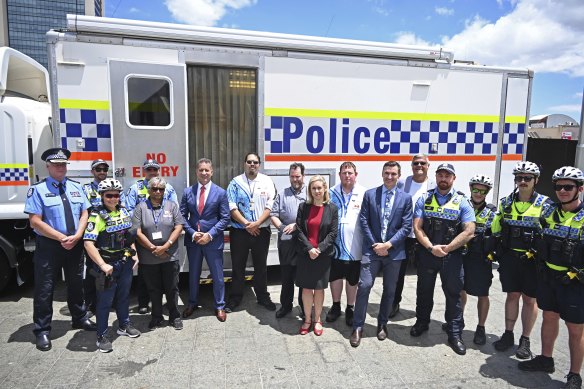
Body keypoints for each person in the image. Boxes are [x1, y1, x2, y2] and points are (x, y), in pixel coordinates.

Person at [518, 166, 584, 389]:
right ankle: (546, 360)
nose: (563, 190)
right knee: (549, 317)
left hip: (575, 282)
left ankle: (575, 375)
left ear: (580, 189)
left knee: (575, 329)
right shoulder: (548, 213)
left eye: (568, 186)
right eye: (559, 186)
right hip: (549, 278)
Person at [24, 148, 96, 352]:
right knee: (45, 288)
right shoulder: (37, 190)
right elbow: (35, 221)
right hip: (49, 246)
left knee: (76, 284)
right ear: (47, 166)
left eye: (63, 164)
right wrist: (61, 237)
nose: (60, 168)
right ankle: (42, 330)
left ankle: (79, 318)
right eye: (56, 164)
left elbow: (85, 212)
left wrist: (78, 235)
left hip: (74, 243)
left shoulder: (75, 187)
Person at [410, 163, 475, 356]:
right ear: (435, 177)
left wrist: (447, 248)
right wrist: (431, 247)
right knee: (423, 291)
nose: (443, 179)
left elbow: (469, 230)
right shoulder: (425, 198)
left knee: (454, 295)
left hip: (452, 256)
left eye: (448, 175)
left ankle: (455, 333)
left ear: (453, 178)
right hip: (428, 254)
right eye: (440, 175)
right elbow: (417, 227)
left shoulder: (462, 201)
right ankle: (422, 322)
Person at [491, 161, 552, 359]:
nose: (523, 181)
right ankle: (508, 334)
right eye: (519, 177)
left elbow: (551, 233)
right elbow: (496, 228)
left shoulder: (546, 204)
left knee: (529, 299)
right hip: (509, 257)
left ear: (536, 180)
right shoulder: (506, 202)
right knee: (512, 296)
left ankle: (525, 340)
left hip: (532, 260)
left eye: (527, 178)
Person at [350, 161, 412, 347]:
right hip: (372, 249)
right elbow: (364, 220)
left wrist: (389, 244)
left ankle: (383, 323)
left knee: (390, 290)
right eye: (387, 173)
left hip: (394, 253)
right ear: (382, 174)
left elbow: (406, 226)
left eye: (393, 173)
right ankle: (358, 326)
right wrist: (376, 244)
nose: (390, 176)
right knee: (365, 285)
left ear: (398, 175)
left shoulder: (406, 198)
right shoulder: (370, 194)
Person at [83, 178, 140, 353]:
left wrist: (134, 252)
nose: (113, 199)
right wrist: (101, 264)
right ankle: (102, 335)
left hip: (124, 262)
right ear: (102, 196)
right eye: (109, 195)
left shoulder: (123, 212)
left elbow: (128, 236)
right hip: (107, 265)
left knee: (124, 296)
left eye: (116, 195)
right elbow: (88, 243)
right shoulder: (96, 216)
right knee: (105, 302)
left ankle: (123, 325)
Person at [125, 159, 178, 314]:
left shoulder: (167, 187)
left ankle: (169, 306)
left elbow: (174, 206)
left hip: (164, 235)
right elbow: (128, 209)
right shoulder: (135, 188)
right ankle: (143, 302)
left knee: (168, 275)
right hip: (143, 234)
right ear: (144, 171)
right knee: (144, 272)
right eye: (149, 170)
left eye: (155, 169)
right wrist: (139, 224)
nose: (152, 172)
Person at [225, 153, 277, 312]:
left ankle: (262, 297)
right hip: (239, 232)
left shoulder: (267, 181)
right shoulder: (235, 182)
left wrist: (257, 224)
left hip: (261, 231)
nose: (252, 164)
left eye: (255, 162)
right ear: (244, 164)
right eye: (249, 162)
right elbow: (231, 207)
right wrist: (248, 224)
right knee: (238, 266)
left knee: (261, 266)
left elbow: (270, 205)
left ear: (259, 165)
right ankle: (235, 297)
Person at [181, 158, 230, 322]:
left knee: (217, 276)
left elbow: (225, 218)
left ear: (212, 172)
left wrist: (210, 234)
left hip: (213, 240)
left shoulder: (221, 193)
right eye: (201, 170)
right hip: (194, 240)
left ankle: (220, 306)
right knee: (193, 274)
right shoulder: (188, 192)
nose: (204, 173)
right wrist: (193, 233)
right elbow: (181, 216)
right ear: (196, 171)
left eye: (206, 170)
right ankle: (192, 302)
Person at [133, 177, 184, 330]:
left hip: (169, 255)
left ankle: (174, 316)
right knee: (153, 289)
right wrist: (152, 248)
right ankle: (156, 317)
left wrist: (166, 246)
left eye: (161, 189)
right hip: (149, 257)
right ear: (149, 190)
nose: (157, 191)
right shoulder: (140, 208)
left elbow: (179, 226)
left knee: (172, 287)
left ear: (164, 190)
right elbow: (137, 231)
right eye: (154, 188)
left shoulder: (172, 206)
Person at [391, 154, 435, 318]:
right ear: (412, 166)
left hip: (423, 237)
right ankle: (394, 303)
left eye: (422, 163)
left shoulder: (433, 185)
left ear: (428, 166)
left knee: (424, 276)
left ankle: (422, 311)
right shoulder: (404, 183)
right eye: (416, 163)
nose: (419, 166)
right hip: (404, 236)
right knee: (398, 273)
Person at [296, 175, 338, 336]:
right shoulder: (303, 207)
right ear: (310, 190)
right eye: (313, 188)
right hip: (306, 255)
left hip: (323, 255)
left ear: (325, 189)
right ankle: (307, 319)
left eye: (319, 188)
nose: (317, 191)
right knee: (306, 288)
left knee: (319, 289)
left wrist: (318, 249)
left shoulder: (332, 208)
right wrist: (309, 249)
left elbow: (333, 234)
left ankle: (317, 319)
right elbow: (299, 230)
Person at [327, 161, 366, 326]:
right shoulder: (331, 193)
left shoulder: (364, 193)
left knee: (352, 279)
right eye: (344, 172)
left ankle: (350, 308)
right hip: (335, 246)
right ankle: (336, 306)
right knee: (335, 277)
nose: (347, 175)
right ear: (340, 175)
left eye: (350, 172)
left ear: (355, 175)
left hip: (355, 246)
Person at [460, 175, 497, 346]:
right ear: (471, 189)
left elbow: (497, 235)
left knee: (483, 294)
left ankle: (481, 327)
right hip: (462, 256)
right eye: (475, 189)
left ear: (487, 192)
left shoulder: (492, 212)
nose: (478, 193)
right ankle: (458, 320)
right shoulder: (463, 206)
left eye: (483, 191)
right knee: (460, 290)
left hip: (481, 258)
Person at [270, 163, 307, 318]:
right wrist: (282, 228)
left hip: (304, 241)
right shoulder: (282, 194)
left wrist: (296, 226)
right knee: (286, 276)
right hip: (286, 241)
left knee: (303, 277)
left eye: (297, 176)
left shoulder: (310, 193)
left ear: (303, 176)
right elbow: (273, 214)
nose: (295, 179)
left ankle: (305, 308)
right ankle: (286, 306)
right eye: (292, 176)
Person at [81, 159, 110, 315]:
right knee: (92, 270)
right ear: (92, 171)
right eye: (98, 169)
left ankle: (106, 301)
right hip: (93, 234)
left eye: (104, 169)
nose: (102, 172)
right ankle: (90, 303)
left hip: (110, 234)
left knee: (110, 267)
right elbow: (82, 212)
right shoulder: (85, 189)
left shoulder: (113, 186)